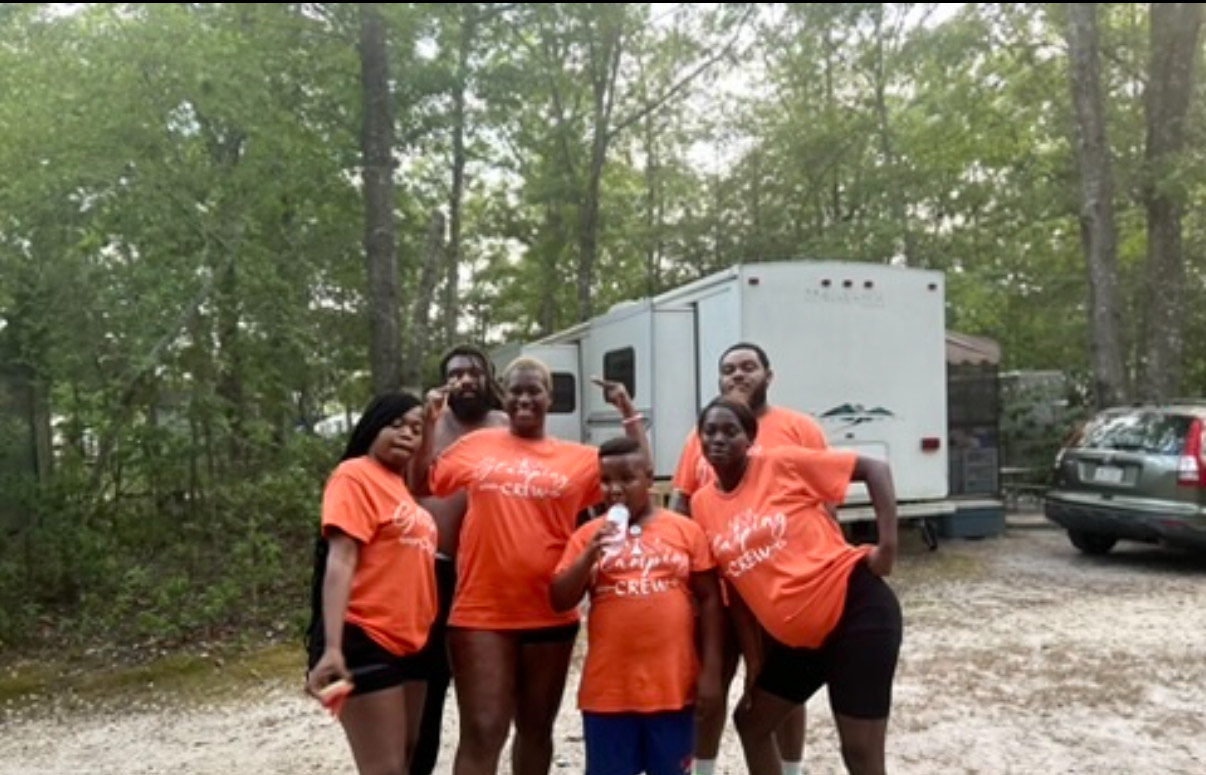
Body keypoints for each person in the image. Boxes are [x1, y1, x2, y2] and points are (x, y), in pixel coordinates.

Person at [412, 357, 650, 775]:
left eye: (534, 390)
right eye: (516, 391)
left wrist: (628, 413)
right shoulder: (475, 445)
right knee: (484, 731)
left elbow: (637, 477)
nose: (525, 399)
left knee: (536, 729)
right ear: (505, 395)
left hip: (550, 612)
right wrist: (429, 424)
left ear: (549, 398)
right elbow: (421, 483)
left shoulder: (577, 458)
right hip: (481, 612)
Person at [690, 397, 902, 775]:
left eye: (730, 431)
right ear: (699, 440)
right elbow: (736, 586)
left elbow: (875, 469)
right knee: (752, 722)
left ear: (750, 439)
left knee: (859, 751)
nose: (718, 439)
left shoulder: (780, 463)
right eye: (710, 431)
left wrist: (886, 548)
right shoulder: (703, 504)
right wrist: (755, 661)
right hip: (804, 641)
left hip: (855, 612)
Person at [668, 342, 827, 775]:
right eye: (728, 370)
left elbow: (823, 504)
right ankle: (703, 769)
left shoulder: (799, 428)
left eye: (748, 367)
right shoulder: (698, 436)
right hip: (714, 590)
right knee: (710, 686)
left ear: (768, 376)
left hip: (776, 590)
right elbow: (681, 503)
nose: (738, 375)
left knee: (780, 689)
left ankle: (790, 770)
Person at [550, 435, 724, 775]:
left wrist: (711, 672)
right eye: (606, 481)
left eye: (626, 479)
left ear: (648, 477)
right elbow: (559, 599)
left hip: (673, 690)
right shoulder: (587, 535)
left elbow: (710, 599)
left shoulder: (684, 531)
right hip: (609, 694)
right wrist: (589, 556)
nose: (615, 490)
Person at [304, 392, 440, 775]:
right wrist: (331, 648)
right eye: (396, 425)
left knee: (410, 752)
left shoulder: (400, 487)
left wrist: (429, 425)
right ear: (371, 427)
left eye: (414, 429)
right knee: (384, 768)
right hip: (364, 638)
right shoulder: (354, 475)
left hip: (413, 642)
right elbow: (341, 559)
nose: (406, 435)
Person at [411, 345, 510, 775]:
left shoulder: (508, 425)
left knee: (486, 701)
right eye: (456, 374)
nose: (465, 381)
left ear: (488, 378)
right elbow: (411, 482)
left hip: (491, 575)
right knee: (427, 686)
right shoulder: (428, 424)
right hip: (434, 569)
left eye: (473, 373)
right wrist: (426, 424)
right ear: (443, 381)